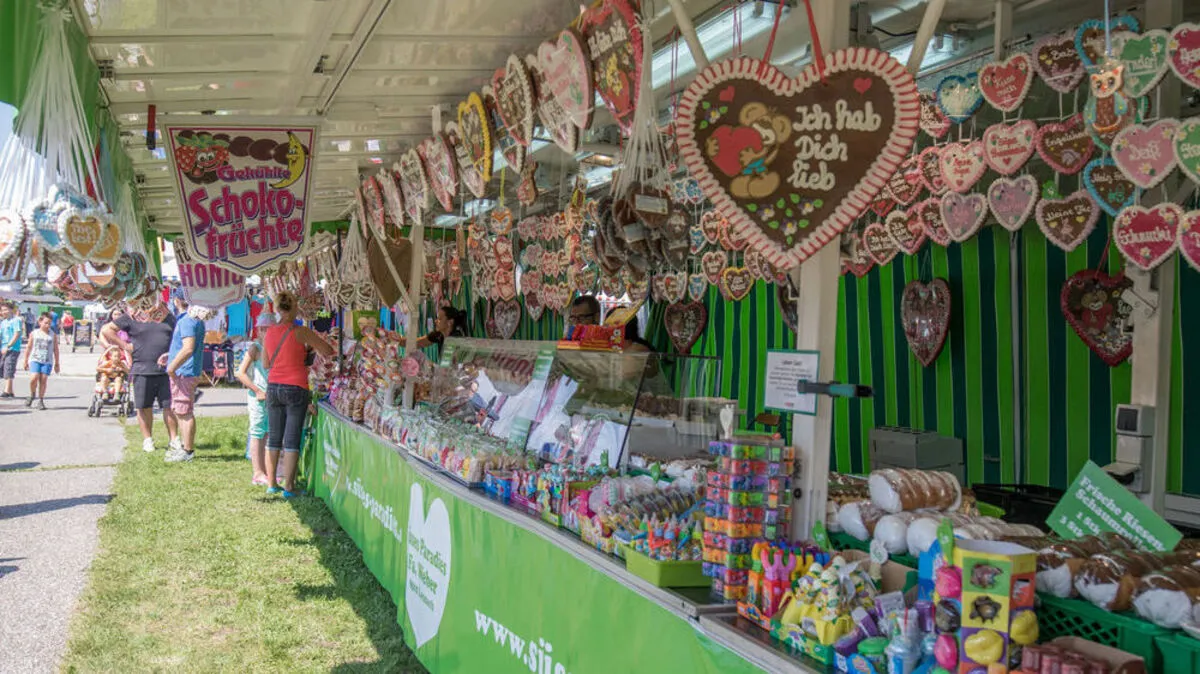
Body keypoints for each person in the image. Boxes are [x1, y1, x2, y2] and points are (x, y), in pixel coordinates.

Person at [262, 291, 334, 497]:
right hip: (296, 386)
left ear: (276, 309)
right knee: (291, 438)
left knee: (274, 437)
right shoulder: (301, 331)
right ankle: (289, 486)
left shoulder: (269, 333)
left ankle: (271, 483)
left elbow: (266, 364)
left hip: (273, 386)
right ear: (294, 309)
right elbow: (327, 350)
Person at [101, 301, 178, 453]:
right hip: (141, 368)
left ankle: (174, 439)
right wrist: (124, 345)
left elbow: (178, 337)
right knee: (143, 406)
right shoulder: (133, 315)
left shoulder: (167, 316)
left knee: (169, 407)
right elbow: (107, 330)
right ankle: (148, 440)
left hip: (166, 370)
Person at [162, 298, 209, 463]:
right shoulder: (194, 321)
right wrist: (170, 358)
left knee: (184, 411)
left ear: (177, 301)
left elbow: (188, 348)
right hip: (186, 370)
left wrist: (172, 367)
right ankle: (184, 448)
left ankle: (187, 450)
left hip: (183, 372)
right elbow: (188, 347)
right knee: (181, 411)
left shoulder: (188, 321)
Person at [235, 313, 275, 485]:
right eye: (262, 328)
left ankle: (265, 471)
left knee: (268, 432)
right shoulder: (256, 348)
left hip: (272, 396)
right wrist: (257, 390)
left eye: (268, 328)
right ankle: (257, 472)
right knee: (257, 432)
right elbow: (240, 373)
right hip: (258, 398)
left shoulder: (275, 345)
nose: (264, 331)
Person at [23, 312, 58, 409]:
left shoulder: (53, 334)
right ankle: (32, 394)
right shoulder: (34, 333)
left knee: (43, 379)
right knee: (33, 378)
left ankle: (41, 400)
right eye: (46, 323)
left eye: (49, 323)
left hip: (47, 361)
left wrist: (57, 363)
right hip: (35, 359)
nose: (47, 325)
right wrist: (25, 360)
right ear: (40, 322)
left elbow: (56, 349)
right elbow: (29, 347)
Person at [1, 303, 23, 397]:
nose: (3, 312)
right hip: (3, 348)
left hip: (13, 348)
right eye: (2, 310)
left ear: (11, 310)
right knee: (4, 368)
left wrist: (8, 346)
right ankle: (10, 391)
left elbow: (17, 334)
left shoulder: (16, 320)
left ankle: (7, 391)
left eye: (6, 309)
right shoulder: (3, 322)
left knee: (9, 367)